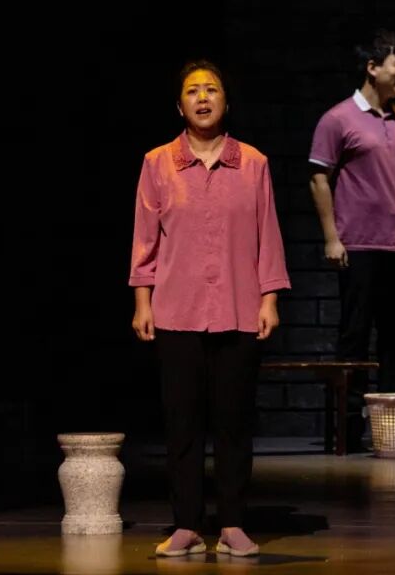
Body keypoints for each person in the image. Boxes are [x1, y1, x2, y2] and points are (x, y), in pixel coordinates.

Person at [130, 60, 290, 557]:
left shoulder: (253, 163)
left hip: (239, 309)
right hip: (175, 310)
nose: (203, 98)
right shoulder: (158, 163)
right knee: (181, 423)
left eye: (212, 89)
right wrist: (142, 302)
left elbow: (268, 236)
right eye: (193, 91)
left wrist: (269, 299)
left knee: (233, 422)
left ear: (226, 101)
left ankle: (233, 523)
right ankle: (186, 524)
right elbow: (145, 240)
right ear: (179, 106)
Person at [308, 30, 395, 453]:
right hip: (358, 245)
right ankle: (347, 432)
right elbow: (319, 177)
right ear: (373, 67)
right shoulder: (338, 118)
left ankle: (392, 433)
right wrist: (331, 237)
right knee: (354, 337)